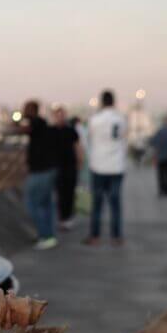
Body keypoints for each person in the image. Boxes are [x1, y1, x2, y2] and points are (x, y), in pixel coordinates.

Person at [85, 89, 127, 245]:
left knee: (97, 203)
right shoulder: (121, 119)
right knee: (115, 203)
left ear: (102, 102)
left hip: (98, 166)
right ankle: (116, 236)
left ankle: (95, 235)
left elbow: (89, 139)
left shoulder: (94, 119)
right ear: (113, 102)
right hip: (117, 166)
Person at [20, 100, 58, 250]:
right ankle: (49, 236)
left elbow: (24, 129)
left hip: (40, 171)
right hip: (49, 169)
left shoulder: (35, 122)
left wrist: (21, 120)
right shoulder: (42, 123)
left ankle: (45, 235)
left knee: (32, 204)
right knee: (46, 205)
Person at [52, 106, 82, 229]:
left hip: (70, 167)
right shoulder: (51, 131)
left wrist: (79, 162)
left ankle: (67, 218)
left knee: (69, 193)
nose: (60, 118)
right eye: (58, 115)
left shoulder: (71, 130)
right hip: (56, 167)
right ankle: (62, 218)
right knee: (59, 194)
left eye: (62, 115)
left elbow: (77, 147)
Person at [149, 116, 167, 197]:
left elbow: (153, 142)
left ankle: (161, 189)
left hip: (160, 156)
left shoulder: (159, 132)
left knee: (161, 174)